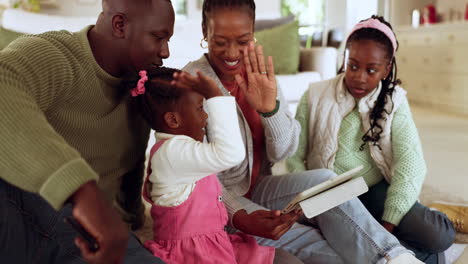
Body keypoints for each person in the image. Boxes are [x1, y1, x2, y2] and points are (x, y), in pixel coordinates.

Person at [183, 1, 423, 263]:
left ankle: (395, 256)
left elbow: (284, 151)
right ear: (205, 31)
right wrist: (240, 215)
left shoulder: (259, 74)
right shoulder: (191, 84)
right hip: (219, 204)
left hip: (261, 188)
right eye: (219, 41)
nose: (232, 53)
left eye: (242, 41)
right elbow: (197, 179)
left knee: (328, 182)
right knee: (322, 245)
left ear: (253, 33)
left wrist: (270, 111)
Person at [0, 0, 175, 263]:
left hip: (82, 239)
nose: (166, 52)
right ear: (120, 25)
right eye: (159, 37)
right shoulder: (55, 55)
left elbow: (129, 180)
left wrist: (131, 222)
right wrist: (82, 190)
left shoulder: (140, 92)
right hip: (20, 210)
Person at [286, 15, 455, 263]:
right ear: (344, 57)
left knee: (437, 236)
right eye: (352, 66)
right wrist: (310, 199)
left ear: (386, 70)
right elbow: (294, 156)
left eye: (371, 70)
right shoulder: (314, 95)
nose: (359, 77)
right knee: (323, 243)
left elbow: (411, 163)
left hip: (374, 189)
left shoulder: (394, 100)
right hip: (329, 194)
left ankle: (433, 217)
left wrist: (389, 222)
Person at [121, 67, 303, 264]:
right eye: (200, 108)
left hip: (214, 244)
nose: (206, 116)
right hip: (191, 256)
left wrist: (241, 216)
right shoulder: (171, 153)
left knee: (286, 260)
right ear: (173, 120)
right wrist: (216, 96)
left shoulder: (184, 149)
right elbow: (231, 153)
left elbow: (211, 185)